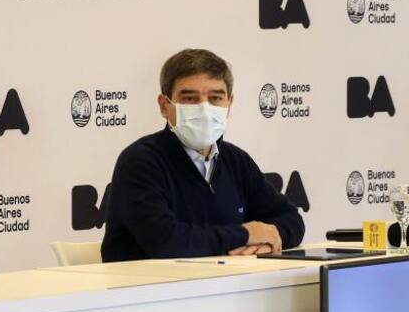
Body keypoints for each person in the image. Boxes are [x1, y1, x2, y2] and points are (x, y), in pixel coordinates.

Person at [101, 49, 305, 262]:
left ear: (229, 104)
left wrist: (267, 241)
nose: (205, 109)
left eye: (216, 98)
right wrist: (246, 235)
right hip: (149, 291)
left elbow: (292, 220)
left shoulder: (236, 160)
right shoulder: (140, 161)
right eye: (190, 98)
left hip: (226, 289)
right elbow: (167, 242)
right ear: (164, 106)